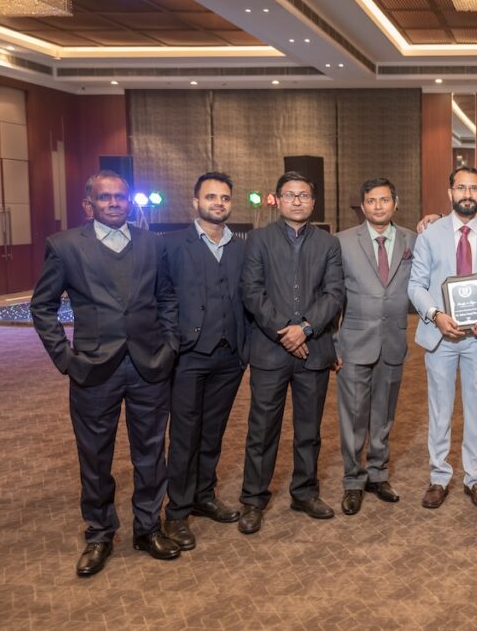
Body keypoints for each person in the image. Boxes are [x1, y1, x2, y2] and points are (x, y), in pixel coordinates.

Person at [31, 170, 181, 576]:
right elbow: (42, 307)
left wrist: (170, 345)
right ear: (88, 205)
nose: (114, 203)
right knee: (95, 457)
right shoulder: (64, 246)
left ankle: (148, 528)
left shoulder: (152, 243)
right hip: (93, 370)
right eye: (104, 197)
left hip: (150, 365)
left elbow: (166, 298)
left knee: (151, 453)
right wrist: (65, 358)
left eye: (120, 197)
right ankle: (100, 534)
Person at [237, 172, 345, 534]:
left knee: (309, 430)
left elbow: (334, 293)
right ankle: (253, 500)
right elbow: (252, 291)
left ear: (313, 202)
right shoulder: (258, 239)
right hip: (270, 351)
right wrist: (285, 330)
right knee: (262, 430)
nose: (297, 201)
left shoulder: (329, 244)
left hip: (314, 351)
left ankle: (304, 492)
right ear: (277, 200)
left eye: (304, 195)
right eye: (290, 195)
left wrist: (306, 329)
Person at [408, 166, 477, 509]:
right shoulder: (429, 234)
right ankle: (439, 477)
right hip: (441, 336)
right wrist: (436, 315)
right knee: (440, 410)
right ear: (450, 192)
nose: (468, 194)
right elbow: (416, 285)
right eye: (461, 188)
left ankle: (474, 477)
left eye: (474, 188)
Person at [161, 172, 250, 549]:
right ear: (195, 202)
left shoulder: (242, 248)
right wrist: (169, 342)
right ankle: (177, 511)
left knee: (213, 430)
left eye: (225, 198)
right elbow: (161, 297)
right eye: (211, 197)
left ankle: (203, 494)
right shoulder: (170, 245)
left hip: (229, 356)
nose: (219, 203)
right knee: (185, 434)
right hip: (188, 356)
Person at [334, 178, 416, 515]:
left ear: (395, 203)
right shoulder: (341, 242)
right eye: (371, 201)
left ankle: (378, 473)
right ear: (363, 205)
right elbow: (332, 296)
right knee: (353, 416)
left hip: (393, 340)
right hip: (353, 342)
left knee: (384, 415)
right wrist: (332, 343)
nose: (378, 206)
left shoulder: (413, 239)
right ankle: (353, 480)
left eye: (384, 200)